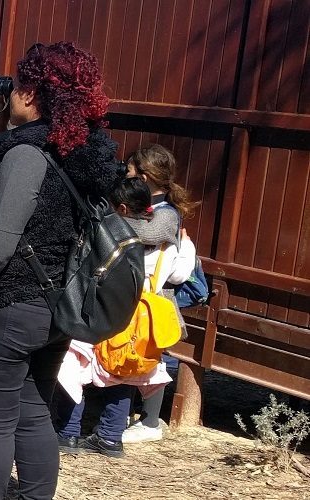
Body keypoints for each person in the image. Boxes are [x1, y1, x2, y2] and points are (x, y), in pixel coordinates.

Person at [0, 42, 122, 500]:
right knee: (34, 412)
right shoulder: (76, 152)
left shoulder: (26, 156)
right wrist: (1, 127)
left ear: (36, 93)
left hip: (3, 307)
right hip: (53, 307)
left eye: (19, 85)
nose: (13, 93)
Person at [53, 177, 185, 458]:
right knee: (124, 371)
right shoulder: (171, 240)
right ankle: (110, 437)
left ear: (122, 208)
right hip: (143, 313)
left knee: (77, 366)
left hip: (106, 306)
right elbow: (179, 275)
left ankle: (68, 431)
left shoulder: (115, 235)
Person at [120, 144, 200, 444]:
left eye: (130, 170)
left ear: (146, 176)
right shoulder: (147, 208)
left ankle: (151, 421)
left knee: (151, 355)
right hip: (138, 292)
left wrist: (115, 217)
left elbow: (147, 234)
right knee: (130, 350)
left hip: (155, 297)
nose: (126, 175)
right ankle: (127, 414)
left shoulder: (166, 214)